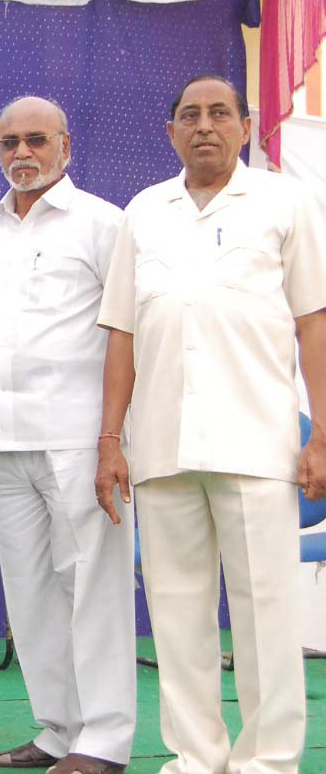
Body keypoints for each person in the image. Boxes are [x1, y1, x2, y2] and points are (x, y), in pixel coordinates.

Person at [96, 75, 326, 774]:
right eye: (190, 115)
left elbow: (314, 322)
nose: (205, 126)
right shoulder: (145, 210)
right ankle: (195, 758)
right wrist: (110, 440)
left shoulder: (284, 202)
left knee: (266, 616)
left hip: (256, 442)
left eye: (220, 113)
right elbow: (122, 332)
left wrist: (323, 432)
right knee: (177, 616)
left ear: (245, 127)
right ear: (170, 132)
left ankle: (268, 760)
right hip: (161, 445)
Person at [0, 96, 134, 774]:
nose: (22, 153)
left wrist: (112, 438)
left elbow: (130, 332)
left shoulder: (102, 222)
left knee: (92, 585)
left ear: (66, 145)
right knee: (30, 591)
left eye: (37, 139)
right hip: (1, 433)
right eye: (9, 141)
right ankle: (59, 730)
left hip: (77, 434)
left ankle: (106, 739)